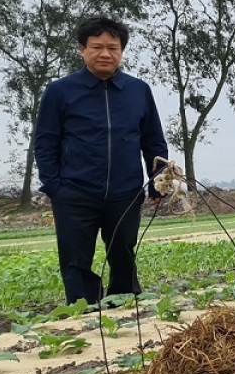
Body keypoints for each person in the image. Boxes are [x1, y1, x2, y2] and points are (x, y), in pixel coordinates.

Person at [34, 17, 168, 306]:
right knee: (76, 258)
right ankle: (83, 311)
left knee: (123, 252)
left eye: (113, 47)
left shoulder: (138, 91)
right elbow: (45, 141)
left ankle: (123, 307)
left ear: (121, 51)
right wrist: (54, 186)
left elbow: (153, 141)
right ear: (82, 50)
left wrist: (158, 183)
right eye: (97, 47)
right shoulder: (60, 91)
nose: (105, 54)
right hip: (75, 191)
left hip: (126, 191)